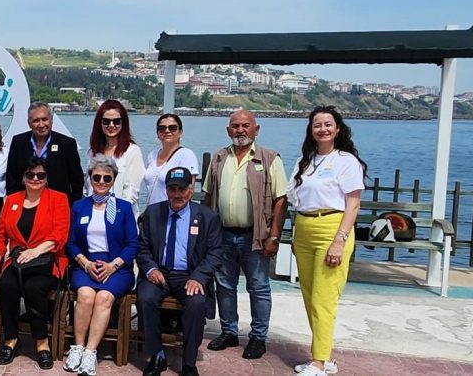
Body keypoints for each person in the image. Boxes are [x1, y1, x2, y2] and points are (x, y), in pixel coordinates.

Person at [287, 106, 367, 376]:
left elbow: (353, 205)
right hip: (305, 228)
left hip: (332, 227)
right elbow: (292, 195)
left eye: (327, 124)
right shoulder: (306, 160)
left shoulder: (346, 161)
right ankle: (325, 355)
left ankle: (319, 362)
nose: (322, 129)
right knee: (310, 297)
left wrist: (339, 241)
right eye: (317, 125)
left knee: (324, 299)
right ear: (311, 130)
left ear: (338, 129)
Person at [203, 110, 288, 360]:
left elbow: (281, 200)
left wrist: (273, 237)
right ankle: (229, 331)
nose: (240, 130)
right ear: (228, 130)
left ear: (256, 129)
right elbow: (209, 196)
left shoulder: (270, 158)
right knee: (225, 286)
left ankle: (258, 337)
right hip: (224, 235)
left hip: (256, 236)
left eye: (245, 126)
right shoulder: (219, 158)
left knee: (258, 287)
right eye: (235, 126)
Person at [0, 157, 71, 369]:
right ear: (23, 178)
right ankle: (11, 339)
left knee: (34, 289)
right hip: (16, 261)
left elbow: (60, 234)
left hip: (47, 260)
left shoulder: (58, 199)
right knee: (7, 285)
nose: (35, 179)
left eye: (40, 175)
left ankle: (42, 343)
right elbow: (1, 234)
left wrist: (35, 251)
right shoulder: (12, 200)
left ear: (46, 178)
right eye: (30, 175)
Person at [136, 167, 222, 376]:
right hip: (160, 273)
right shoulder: (153, 213)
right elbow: (142, 247)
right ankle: (157, 356)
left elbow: (215, 252)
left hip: (189, 275)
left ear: (190, 190)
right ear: (166, 190)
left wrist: (198, 278)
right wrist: (150, 269)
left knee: (197, 303)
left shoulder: (207, 217)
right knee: (145, 298)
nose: (177, 194)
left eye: (182, 189)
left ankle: (189, 363)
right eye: (172, 189)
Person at [64, 156, 139, 376]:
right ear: (90, 178)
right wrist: (85, 263)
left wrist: (112, 266)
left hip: (117, 267)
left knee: (104, 297)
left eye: (108, 178)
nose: (102, 181)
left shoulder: (123, 208)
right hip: (85, 264)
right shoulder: (79, 206)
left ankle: (90, 352)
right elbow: (71, 243)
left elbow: (133, 244)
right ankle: (77, 347)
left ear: (114, 179)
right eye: (97, 177)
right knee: (86, 295)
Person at [6, 102, 84, 208]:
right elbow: (11, 178)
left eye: (44, 119)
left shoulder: (67, 144)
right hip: (25, 205)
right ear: (29, 123)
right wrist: (14, 205)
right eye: (36, 121)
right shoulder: (18, 142)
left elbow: (77, 181)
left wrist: (71, 207)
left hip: (57, 206)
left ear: (51, 120)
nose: (41, 124)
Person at [86, 99, 144, 213]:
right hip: (94, 214)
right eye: (106, 121)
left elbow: (131, 191)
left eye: (116, 121)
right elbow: (88, 186)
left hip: (121, 217)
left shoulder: (132, 151)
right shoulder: (93, 152)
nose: (111, 125)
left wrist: (119, 215)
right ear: (100, 123)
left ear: (123, 123)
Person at [143, 113, 201, 206]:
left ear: (180, 132)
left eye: (172, 128)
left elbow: (189, 190)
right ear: (157, 133)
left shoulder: (186, 155)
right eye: (162, 128)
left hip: (173, 211)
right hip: (152, 212)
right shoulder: (152, 155)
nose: (167, 131)